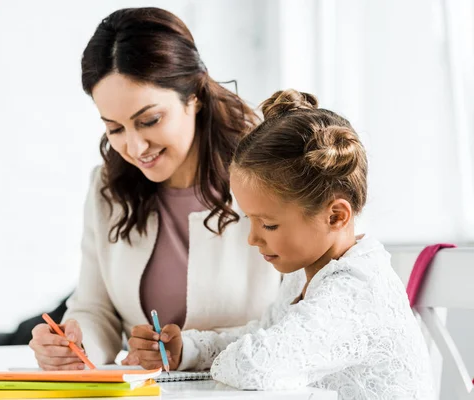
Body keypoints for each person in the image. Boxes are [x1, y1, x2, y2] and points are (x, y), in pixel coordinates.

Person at [129, 89, 434, 398]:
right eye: (249, 220)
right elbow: (265, 335)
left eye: (269, 224)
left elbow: (257, 364)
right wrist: (189, 350)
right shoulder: (307, 272)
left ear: (335, 216)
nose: (253, 238)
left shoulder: (355, 291)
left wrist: (223, 359)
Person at [28, 7, 281, 371]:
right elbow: (95, 307)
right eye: (115, 129)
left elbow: (299, 322)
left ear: (194, 94)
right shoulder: (108, 187)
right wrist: (76, 344)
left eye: (150, 121)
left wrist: (191, 351)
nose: (135, 147)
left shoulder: (271, 173)